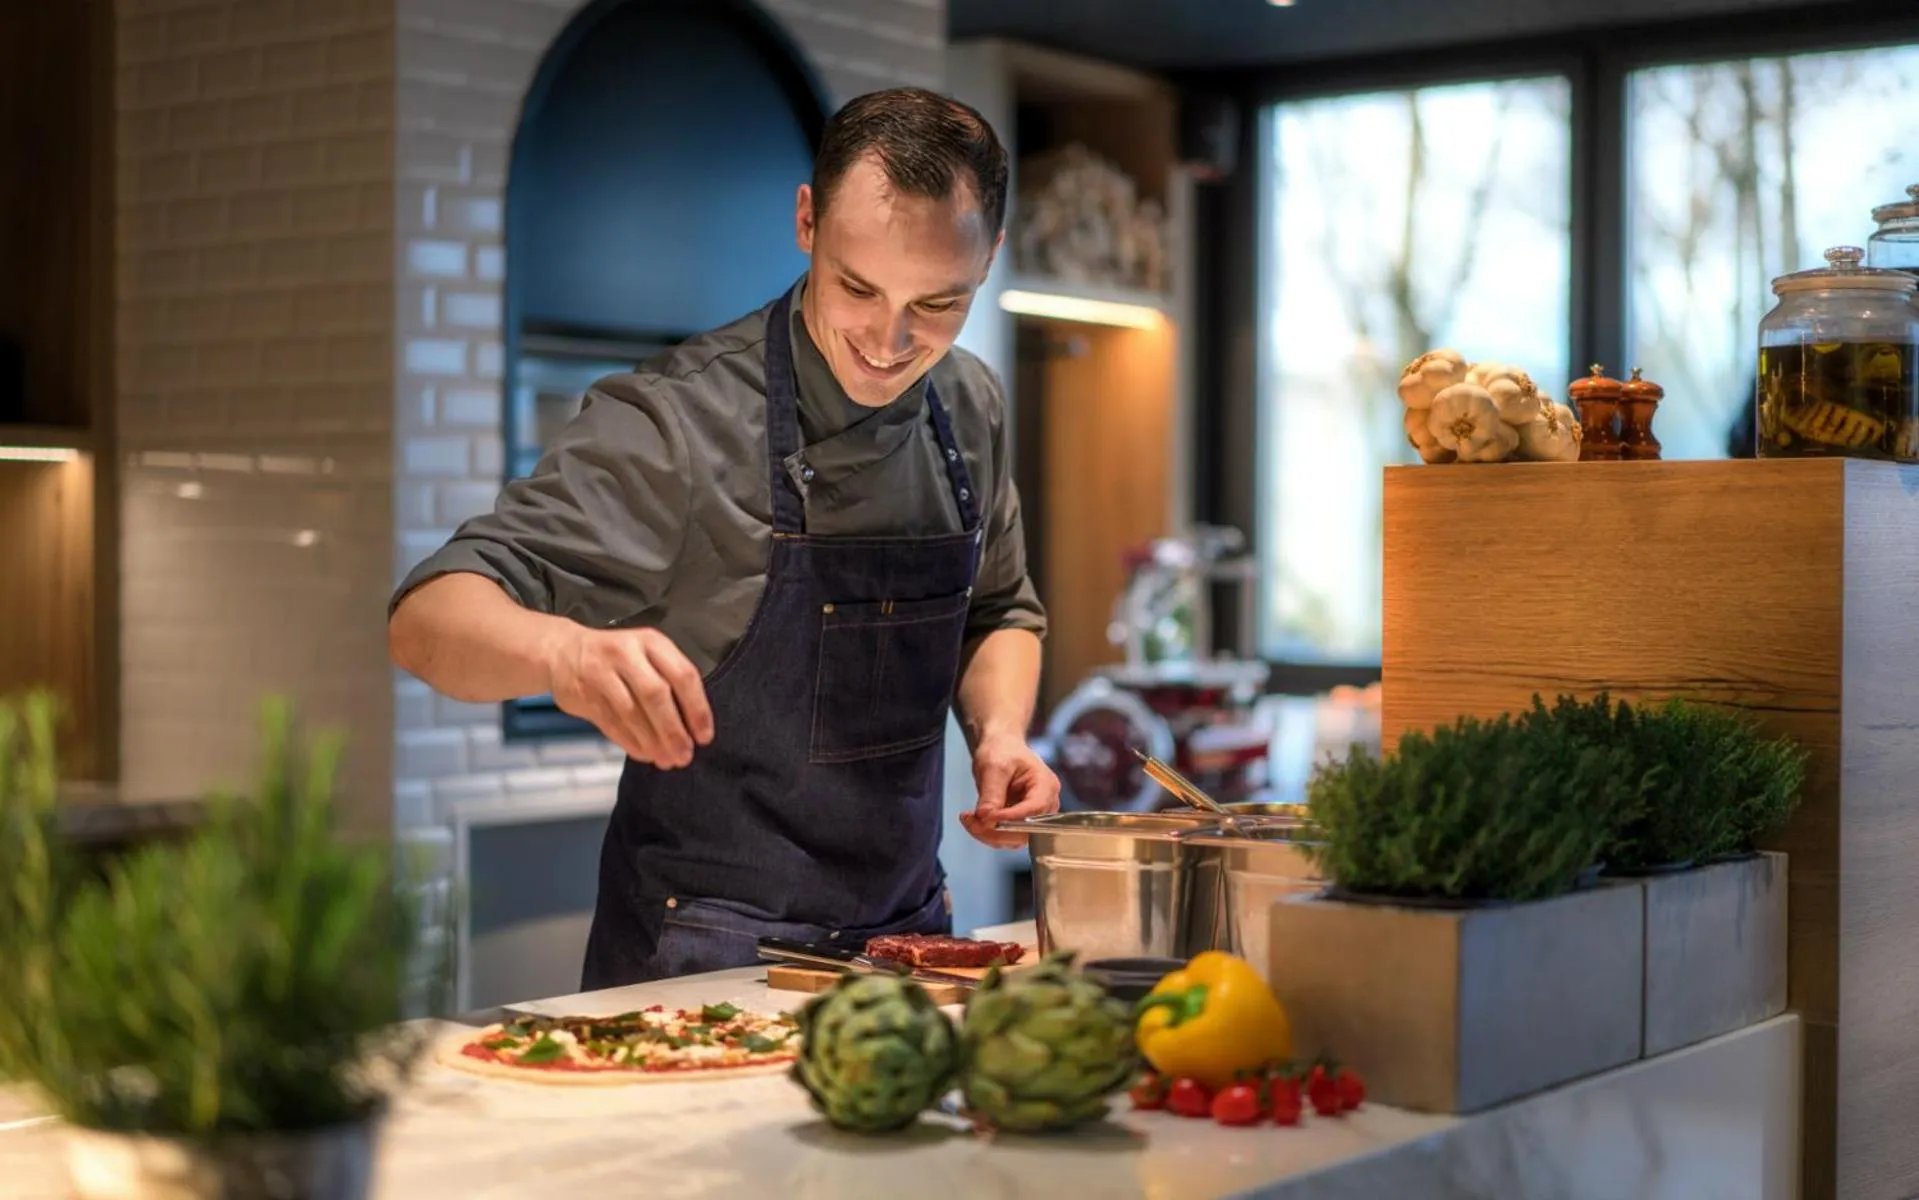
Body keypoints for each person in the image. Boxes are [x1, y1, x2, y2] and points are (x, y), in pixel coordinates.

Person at [387, 87, 1060, 989]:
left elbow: (998, 609)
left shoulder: (969, 405)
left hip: (911, 948)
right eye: (857, 287)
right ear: (805, 220)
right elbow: (427, 621)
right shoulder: (676, 423)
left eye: (938, 303)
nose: (891, 340)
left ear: (990, 262)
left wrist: (1000, 736)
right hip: (703, 963)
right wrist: (563, 653)